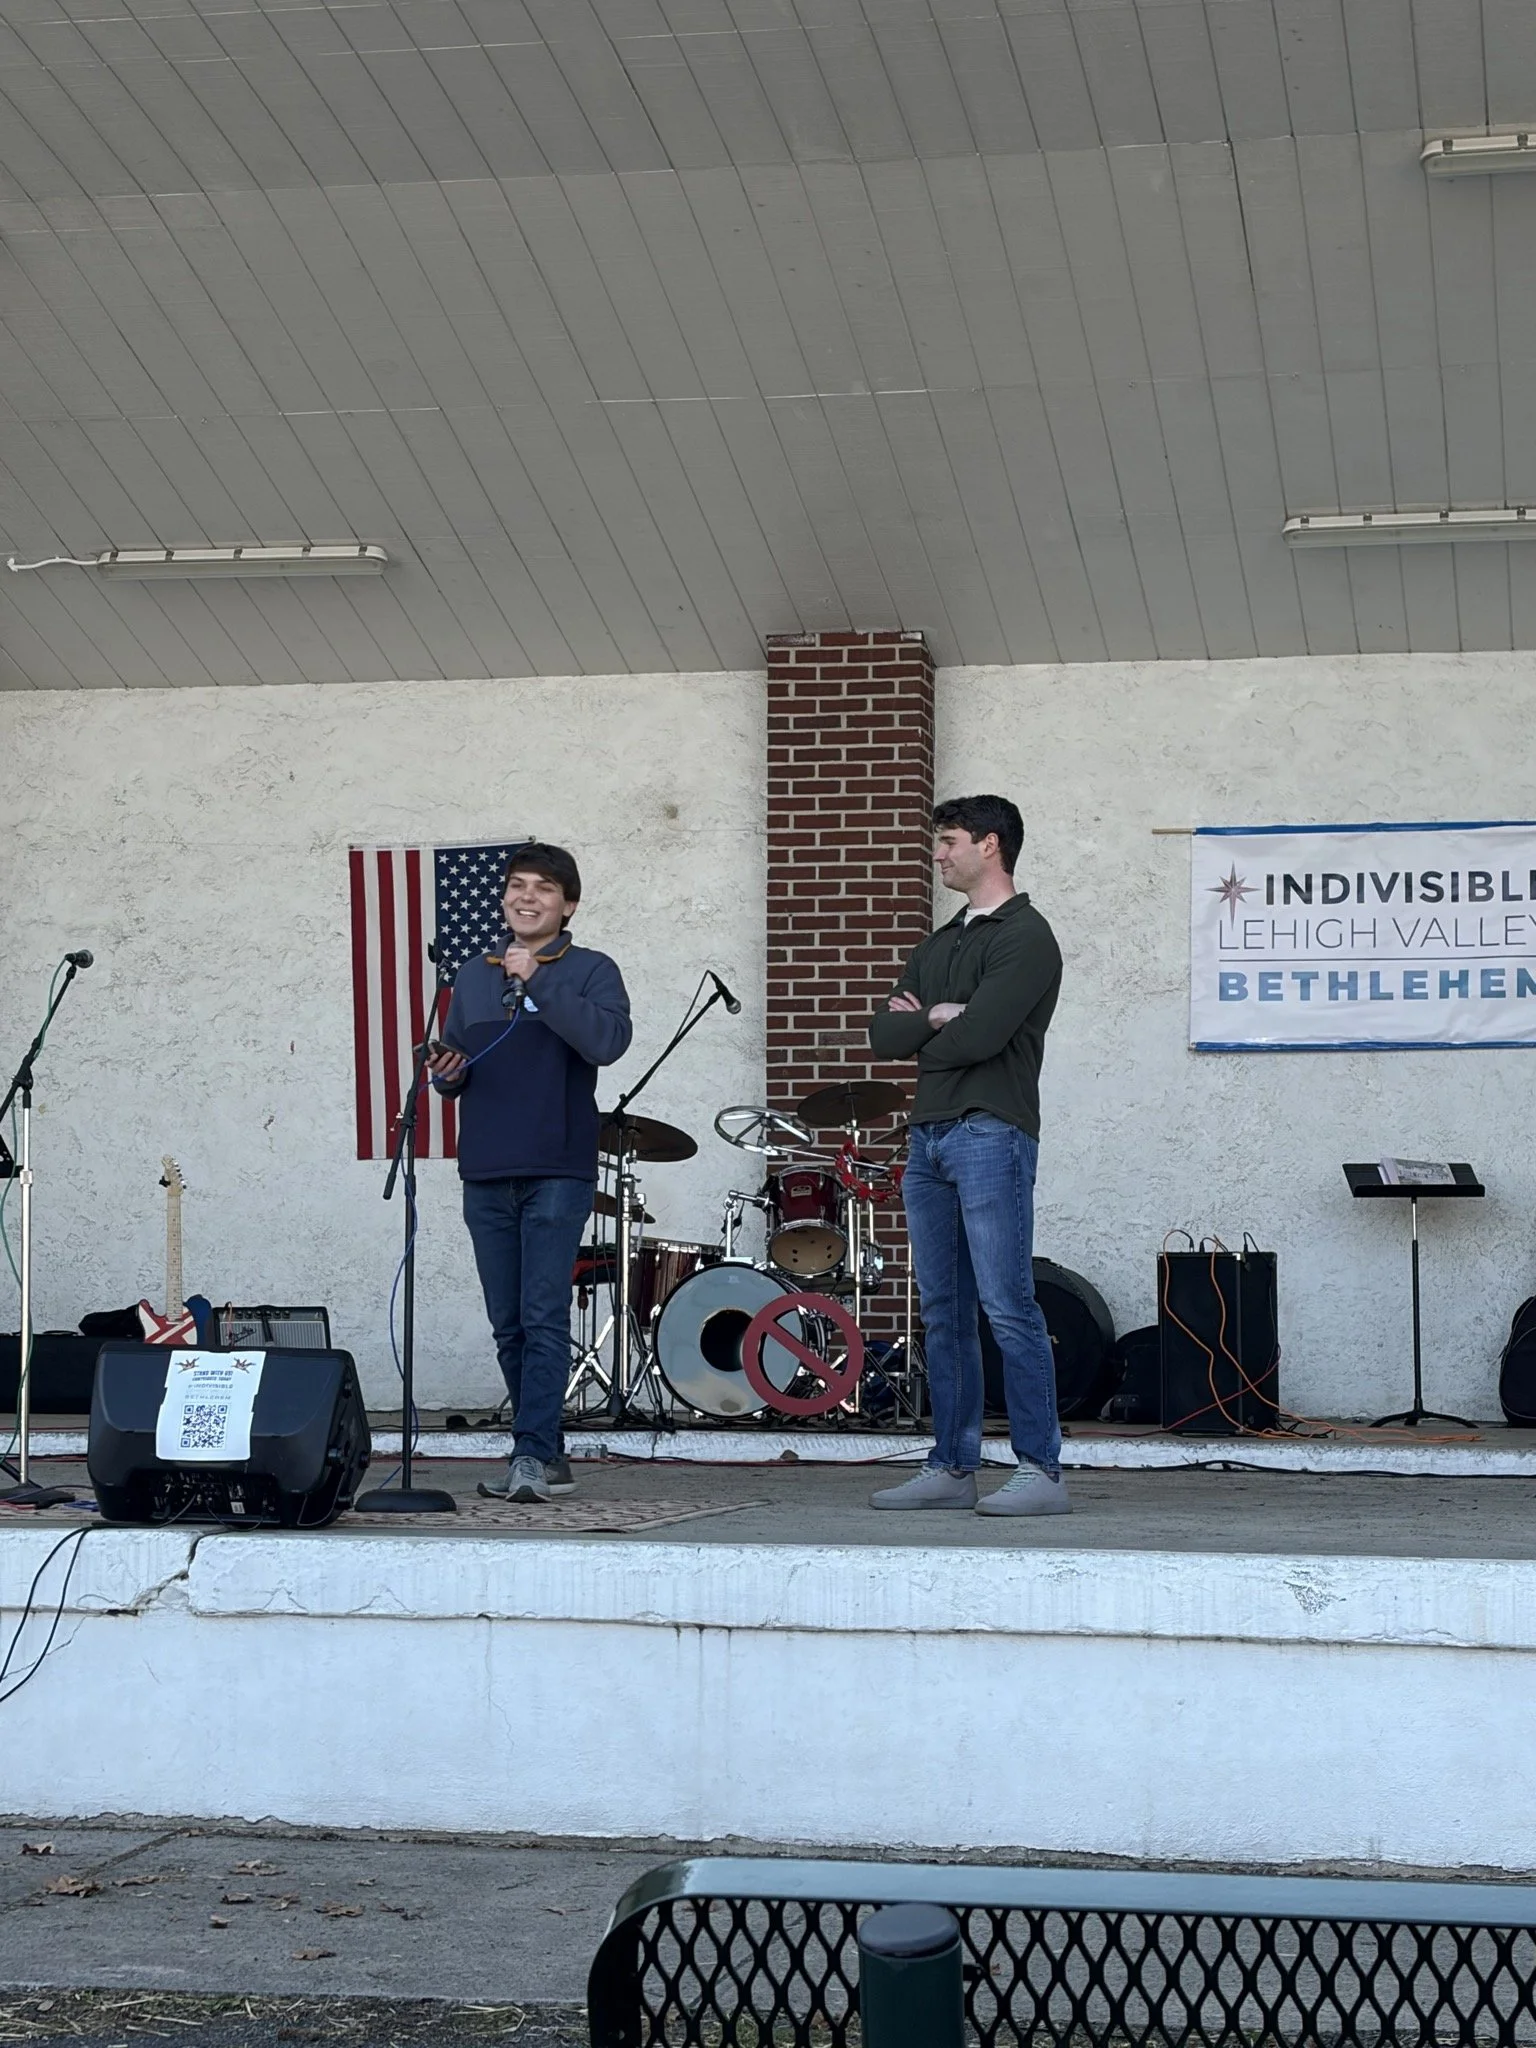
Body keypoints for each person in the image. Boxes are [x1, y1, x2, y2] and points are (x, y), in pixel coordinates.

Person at [867, 795, 1067, 1517]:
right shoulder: (940, 940)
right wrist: (933, 1019)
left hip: (991, 1130)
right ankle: (952, 1466)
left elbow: (980, 1038)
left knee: (1008, 1305)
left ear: (989, 845)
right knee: (943, 1310)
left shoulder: (1027, 937)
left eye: (949, 841)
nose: (939, 854)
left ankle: (1041, 1471)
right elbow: (881, 1039)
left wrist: (929, 1028)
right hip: (929, 1136)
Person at [426, 843, 631, 1503]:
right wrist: (447, 1077)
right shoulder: (475, 974)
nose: (526, 896)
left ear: (567, 904)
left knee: (543, 1314)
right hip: (486, 1167)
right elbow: (459, 1062)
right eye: (516, 885)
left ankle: (531, 1453)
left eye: (543, 887)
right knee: (507, 1321)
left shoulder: (592, 971)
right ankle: (545, 1451)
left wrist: (539, 979)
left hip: (556, 1167)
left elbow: (606, 1044)